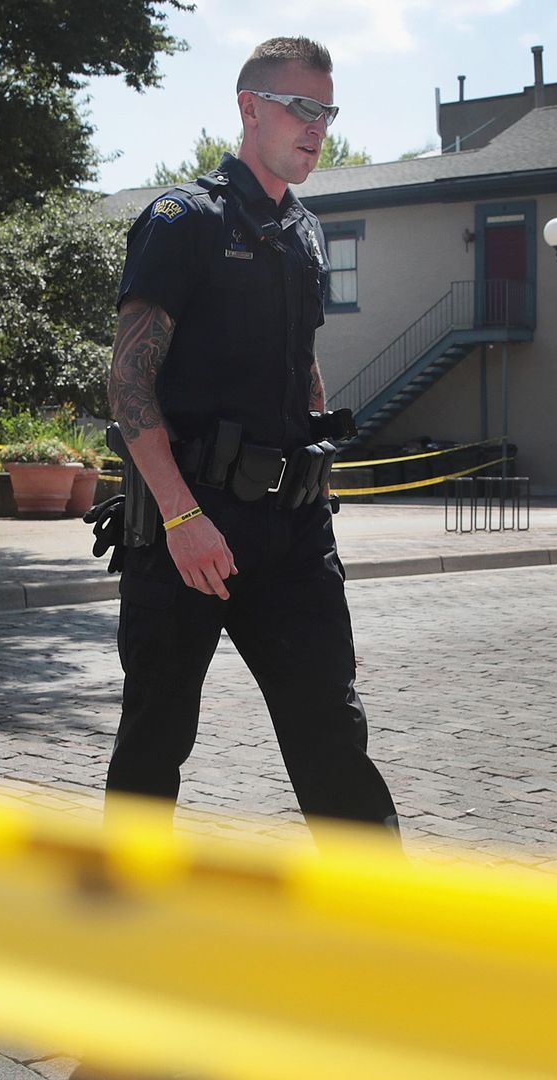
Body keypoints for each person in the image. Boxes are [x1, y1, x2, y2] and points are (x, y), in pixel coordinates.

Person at [93, 37, 399, 834]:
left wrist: (318, 478)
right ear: (250, 107)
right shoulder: (182, 220)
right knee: (156, 740)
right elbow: (129, 383)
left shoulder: (305, 231)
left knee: (334, 735)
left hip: (293, 534)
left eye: (328, 112)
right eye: (303, 108)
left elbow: (300, 364)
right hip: (189, 528)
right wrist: (180, 517)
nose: (317, 127)